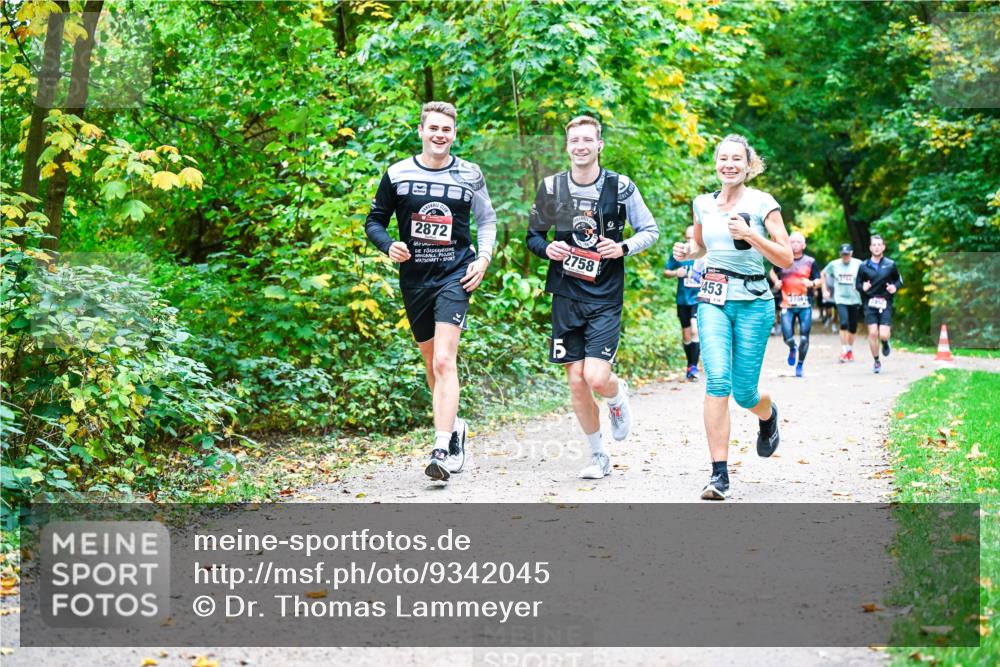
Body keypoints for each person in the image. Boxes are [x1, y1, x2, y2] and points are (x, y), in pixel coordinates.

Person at [365, 101, 497, 482]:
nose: (440, 135)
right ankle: (455, 426)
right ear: (421, 131)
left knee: (444, 361)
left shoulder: (469, 174)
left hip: (455, 275)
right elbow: (374, 221)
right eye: (434, 128)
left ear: (454, 134)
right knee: (430, 365)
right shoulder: (397, 174)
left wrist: (483, 259)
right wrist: (388, 245)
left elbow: (487, 220)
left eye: (447, 130)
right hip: (415, 279)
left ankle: (442, 447)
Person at [527, 115, 659, 480]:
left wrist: (623, 247)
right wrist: (548, 248)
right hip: (566, 294)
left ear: (599, 145)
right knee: (575, 380)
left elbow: (650, 230)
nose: (581, 146)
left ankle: (617, 397)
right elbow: (533, 237)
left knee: (597, 378)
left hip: (604, 295)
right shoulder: (552, 187)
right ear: (567, 146)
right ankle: (599, 455)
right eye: (575, 140)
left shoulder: (620, 187)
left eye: (588, 139)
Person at [672, 134, 792, 500]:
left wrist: (752, 235)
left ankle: (768, 416)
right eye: (723, 158)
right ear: (716, 162)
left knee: (744, 393)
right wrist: (685, 252)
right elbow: (701, 247)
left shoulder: (763, 203)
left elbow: (785, 258)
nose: (729, 164)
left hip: (754, 300)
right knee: (717, 382)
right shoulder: (702, 204)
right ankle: (718, 475)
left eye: (736, 159)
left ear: (748, 165)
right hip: (712, 299)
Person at [769, 232, 820, 377]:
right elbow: (772, 272)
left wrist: (812, 283)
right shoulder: (783, 260)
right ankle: (792, 348)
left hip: (805, 304)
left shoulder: (810, 261)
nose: (795, 244)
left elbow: (819, 279)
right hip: (787, 304)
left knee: (804, 338)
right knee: (788, 337)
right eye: (792, 241)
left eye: (798, 242)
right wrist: (776, 282)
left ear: (803, 245)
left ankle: (800, 365)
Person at [663, 225, 705, 380]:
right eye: (687, 237)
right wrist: (676, 273)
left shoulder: (704, 252)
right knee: (686, 335)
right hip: (682, 299)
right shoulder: (679, 253)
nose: (689, 240)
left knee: (695, 330)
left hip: (699, 299)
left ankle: (694, 367)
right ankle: (690, 365)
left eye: (692, 237)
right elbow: (666, 271)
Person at [855, 234, 902, 374]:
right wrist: (862, 287)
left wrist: (895, 287)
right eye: (874, 245)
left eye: (879, 245)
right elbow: (857, 284)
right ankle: (876, 361)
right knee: (873, 333)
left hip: (885, 301)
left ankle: (886, 342)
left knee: (883, 335)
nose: (876, 247)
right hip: (870, 302)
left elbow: (899, 280)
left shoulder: (890, 264)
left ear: (883, 247)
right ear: (870, 248)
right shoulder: (863, 266)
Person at [822, 243, 863, 363]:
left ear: (851, 253)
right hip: (840, 298)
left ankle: (850, 350)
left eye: (847, 254)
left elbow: (866, 275)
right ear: (840, 254)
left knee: (853, 326)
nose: (845, 256)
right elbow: (823, 274)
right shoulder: (834, 264)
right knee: (844, 322)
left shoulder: (858, 263)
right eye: (843, 254)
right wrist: (825, 290)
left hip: (855, 298)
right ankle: (844, 349)